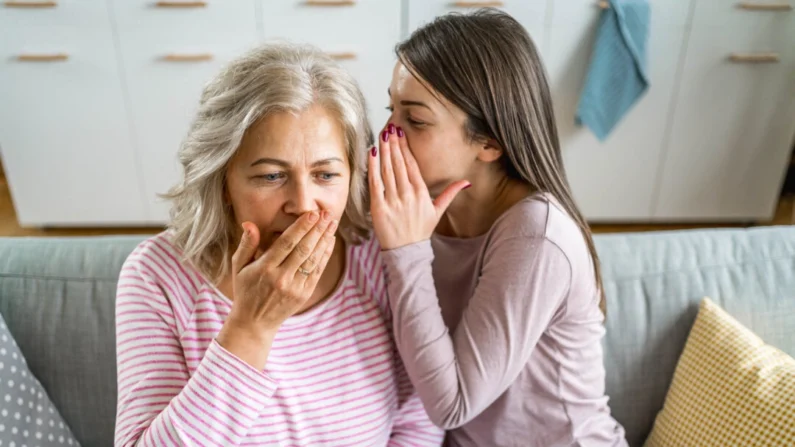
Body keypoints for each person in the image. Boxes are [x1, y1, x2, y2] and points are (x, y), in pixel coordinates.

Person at [114, 41, 443, 447]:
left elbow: (418, 421)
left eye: (325, 175)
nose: (303, 205)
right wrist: (252, 326)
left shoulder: (375, 254)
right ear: (223, 181)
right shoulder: (156, 277)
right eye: (271, 176)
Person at [368, 9, 628, 447]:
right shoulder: (418, 198)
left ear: (490, 142)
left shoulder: (537, 237)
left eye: (415, 119)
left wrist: (407, 251)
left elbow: (452, 405)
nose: (388, 134)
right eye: (390, 108)